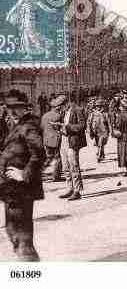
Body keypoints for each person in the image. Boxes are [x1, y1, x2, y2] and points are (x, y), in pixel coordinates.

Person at [0, 95, 45, 261]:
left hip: (21, 189)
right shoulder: (16, 125)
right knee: (13, 230)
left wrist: (23, 174)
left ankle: (30, 269)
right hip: (12, 190)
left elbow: (39, 153)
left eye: (16, 107)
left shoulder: (28, 126)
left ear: (25, 108)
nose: (12, 111)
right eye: (9, 107)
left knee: (21, 234)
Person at [57, 96, 87, 201]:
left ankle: (77, 190)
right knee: (65, 167)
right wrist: (58, 126)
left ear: (66, 104)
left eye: (60, 106)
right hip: (64, 141)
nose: (59, 109)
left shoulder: (77, 110)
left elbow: (82, 126)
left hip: (73, 141)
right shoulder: (63, 112)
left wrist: (68, 126)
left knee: (74, 166)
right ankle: (70, 188)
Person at [40, 95, 66, 181]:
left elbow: (42, 127)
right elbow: (61, 129)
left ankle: (38, 172)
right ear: (58, 107)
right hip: (55, 140)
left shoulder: (45, 115)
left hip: (46, 140)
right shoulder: (58, 116)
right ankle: (56, 176)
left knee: (48, 157)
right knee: (58, 159)